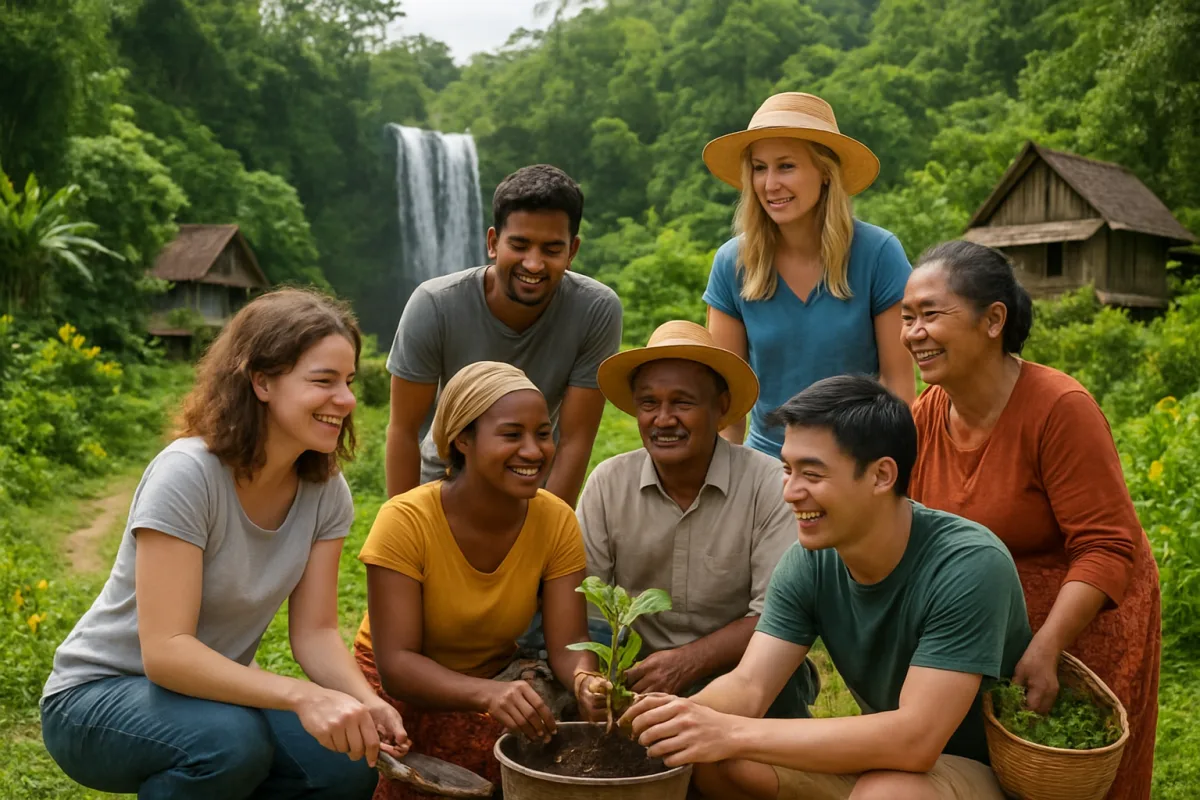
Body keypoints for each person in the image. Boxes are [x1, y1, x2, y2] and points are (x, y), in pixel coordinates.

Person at [40, 288, 408, 800]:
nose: (345, 400)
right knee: (230, 744)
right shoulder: (188, 474)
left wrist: (364, 702)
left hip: (207, 697)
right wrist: (302, 696)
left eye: (347, 382)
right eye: (323, 381)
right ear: (261, 381)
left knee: (344, 761)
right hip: (94, 698)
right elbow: (166, 653)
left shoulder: (327, 491)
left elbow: (317, 632)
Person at [621, 375, 1032, 800]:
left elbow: (916, 740)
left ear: (881, 475)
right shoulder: (812, 560)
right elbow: (750, 686)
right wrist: (674, 720)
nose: (791, 493)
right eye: (787, 469)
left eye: (812, 474)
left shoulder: (967, 565)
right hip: (880, 758)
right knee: (715, 759)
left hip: (979, 772)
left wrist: (731, 731)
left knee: (889, 793)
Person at [902, 239, 1162, 800]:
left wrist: (1046, 646)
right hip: (989, 615)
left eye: (930, 315)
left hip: (1081, 616)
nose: (913, 333)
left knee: (1064, 774)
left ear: (993, 320)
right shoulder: (926, 415)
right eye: (906, 318)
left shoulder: (1059, 408)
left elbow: (1105, 545)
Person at [354, 361, 607, 799]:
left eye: (543, 433)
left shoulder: (556, 520)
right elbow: (397, 665)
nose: (533, 450)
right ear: (463, 440)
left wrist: (586, 681)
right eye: (511, 435)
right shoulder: (407, 520)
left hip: (491, 680)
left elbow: (569, 644)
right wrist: (488, 694)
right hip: (393, 686)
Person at [578, 320, 817, 717]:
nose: (664, 419)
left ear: (721, 408)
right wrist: (591, 679)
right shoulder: (608, 484)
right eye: (649, 403)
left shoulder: (768, 484)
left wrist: (688, 662)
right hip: (640, 677)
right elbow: (588, 604)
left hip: (744, 671)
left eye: (683, 403)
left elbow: (778, 616)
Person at [385, 163, 622, 507]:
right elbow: (403, 431)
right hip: (444, 481)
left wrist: (546, 536)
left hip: (531, 485)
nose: (534, 264)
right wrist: (403, 530)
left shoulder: (596, 310)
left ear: (572, 252)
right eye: (520, 245)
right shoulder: (435, 304)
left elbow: (576, 441)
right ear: (493, 243)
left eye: (552, 249)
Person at [701, 91, 915, 461]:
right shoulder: (732, 263)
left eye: (786, 166)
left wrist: (885, 474)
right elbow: (728, 408)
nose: (770, 184)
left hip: (856, 461)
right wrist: (724, 490)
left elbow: (899, 388)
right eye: (759, 167)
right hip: (766, 468)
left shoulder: (878, 254)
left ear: (825, 173)